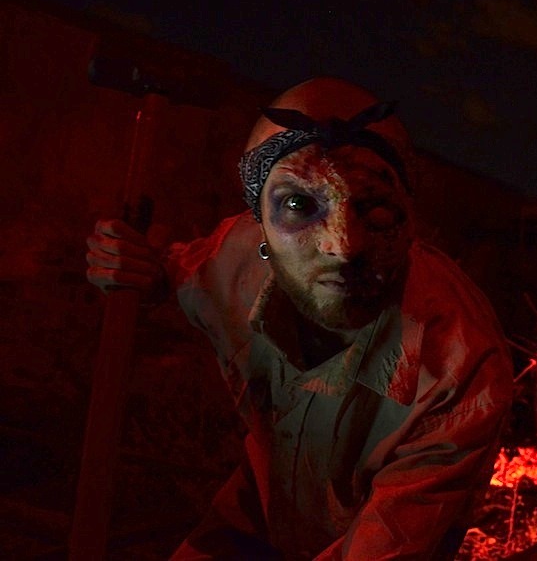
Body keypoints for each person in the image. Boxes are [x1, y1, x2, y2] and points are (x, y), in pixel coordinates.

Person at [85, 77, 514, 560]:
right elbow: (171, 271)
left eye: (372, 207)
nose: (343, 246)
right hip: (260, 507)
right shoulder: (236, 259)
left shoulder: (460, 371)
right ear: (258, 223)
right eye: (298, 204)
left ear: (409, 217)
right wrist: (135, 268)